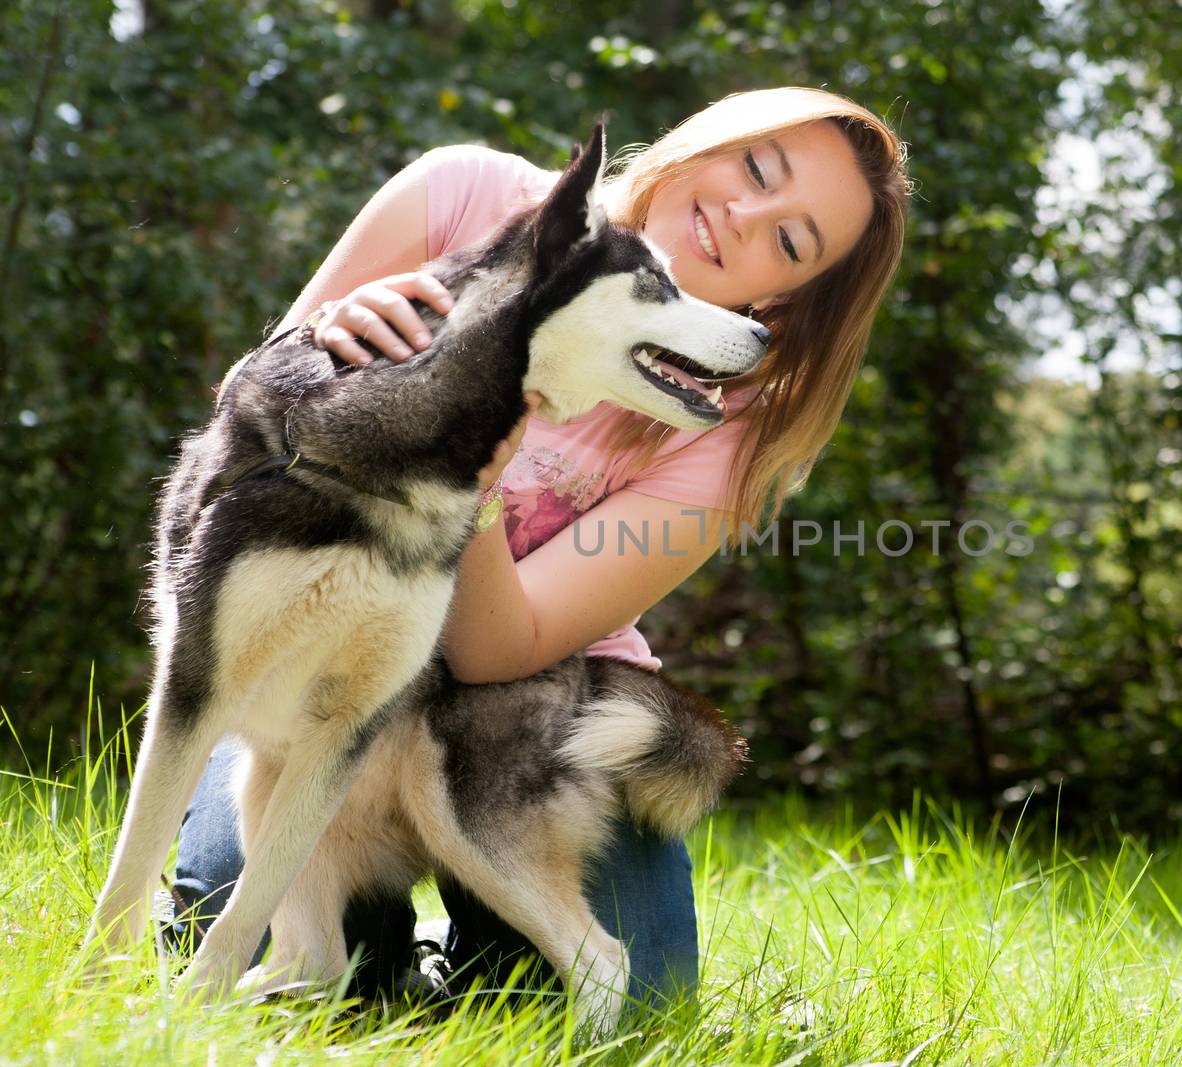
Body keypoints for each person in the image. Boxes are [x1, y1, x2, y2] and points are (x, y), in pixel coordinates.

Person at [167, 86, 910, 1009]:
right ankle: (388, 943)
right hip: (319, 661)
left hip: (521, 694)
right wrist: (315, 347)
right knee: (237, 948)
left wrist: (468, 463)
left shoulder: (721, 422)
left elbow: (494, 651)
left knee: (628, 998)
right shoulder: (463, 195)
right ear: (701, 144)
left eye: (790, 242)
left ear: (783, 298)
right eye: (757, 168)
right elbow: (237, 434)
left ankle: (467, 945)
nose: (744, 214)